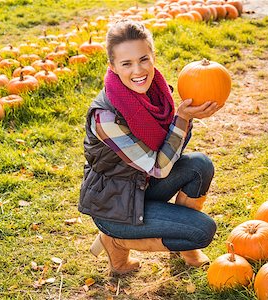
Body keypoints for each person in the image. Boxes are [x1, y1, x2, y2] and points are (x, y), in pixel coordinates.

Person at [78, 19, 221, 275]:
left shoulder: (156, 93)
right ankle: (116, 240)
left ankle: (181, 243)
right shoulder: (106, 118)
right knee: (201, 231)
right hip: (115, 206)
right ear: (113, 67)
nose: (138, 70)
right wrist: (183, 119)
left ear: (152, 56)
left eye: (143, 59)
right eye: (126, 63)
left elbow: (171, 149)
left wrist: (184, 119)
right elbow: (159, 167)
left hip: (139, 185)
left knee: (200, 166)